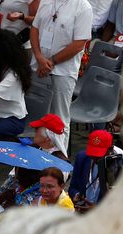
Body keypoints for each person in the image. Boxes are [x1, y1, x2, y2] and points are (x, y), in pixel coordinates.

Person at [30, 0, 92, 143]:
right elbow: (34, 29)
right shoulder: (46, 1)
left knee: (59, 119)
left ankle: (59, 160)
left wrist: (51, 62)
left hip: (63, 72)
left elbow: (79, 44)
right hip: (38, 66)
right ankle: (36, 157)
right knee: (37, 114)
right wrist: (39, 57)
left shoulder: (83, 7)